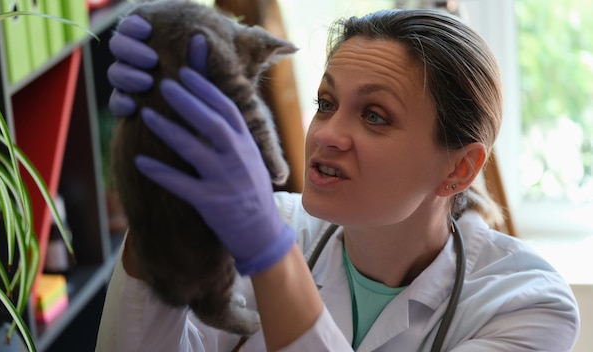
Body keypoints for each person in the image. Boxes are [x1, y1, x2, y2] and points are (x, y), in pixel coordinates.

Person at [96, 8, 580, 352]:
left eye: (375, 115)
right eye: (326, 104)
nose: (327, 135)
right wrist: (156, 194)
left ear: (459, 168)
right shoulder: (258, 231)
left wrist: (269, 253)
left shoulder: (527, 305)